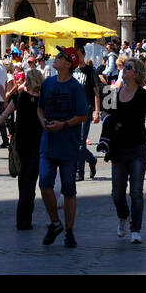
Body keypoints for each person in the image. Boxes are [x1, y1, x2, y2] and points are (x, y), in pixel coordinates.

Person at [0, 68, 44, 229]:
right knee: (30, 183)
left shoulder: (19, 97)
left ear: (30, 81)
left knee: (24, 183)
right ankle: (25, 218)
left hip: (20, 145)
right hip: (36, 145)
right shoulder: (43, 99)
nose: (23, 82)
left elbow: (2, 116)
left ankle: (23, 219)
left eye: (26, 79)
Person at [37, 47, 89, 248]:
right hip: (48, 142)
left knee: (69, 189)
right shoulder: (47, 83)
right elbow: (40, 107)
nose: (55, 58)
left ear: (68, 64)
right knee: (44, 183)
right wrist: (42, 120)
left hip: (68, 144)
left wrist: (64, 124)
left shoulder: (75, 88)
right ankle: (55, 222)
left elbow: (83, 115)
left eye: (60, 57)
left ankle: (69, 231)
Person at [105, 57, 146, 243]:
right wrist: (111, 122)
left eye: (129, 67)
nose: (124, 69)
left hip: (138, 148)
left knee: (136, 192)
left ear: (136, 73)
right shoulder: (114, 93)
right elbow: (105, 116)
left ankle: (136, 229)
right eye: (125, 66)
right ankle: (123, 216)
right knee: (117, 194)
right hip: (118, 149)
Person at [71, 45, 102, 180]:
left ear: (83, 55)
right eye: (75, 56)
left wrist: (97, 111)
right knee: (75, 141)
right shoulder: (71, 70)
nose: (77, 58)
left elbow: (96, 93)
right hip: (73, 110)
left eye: (79, 55)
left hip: (86, 109)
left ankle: (79, 172)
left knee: (81, 140)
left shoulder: (90, 71)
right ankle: (91, 159)